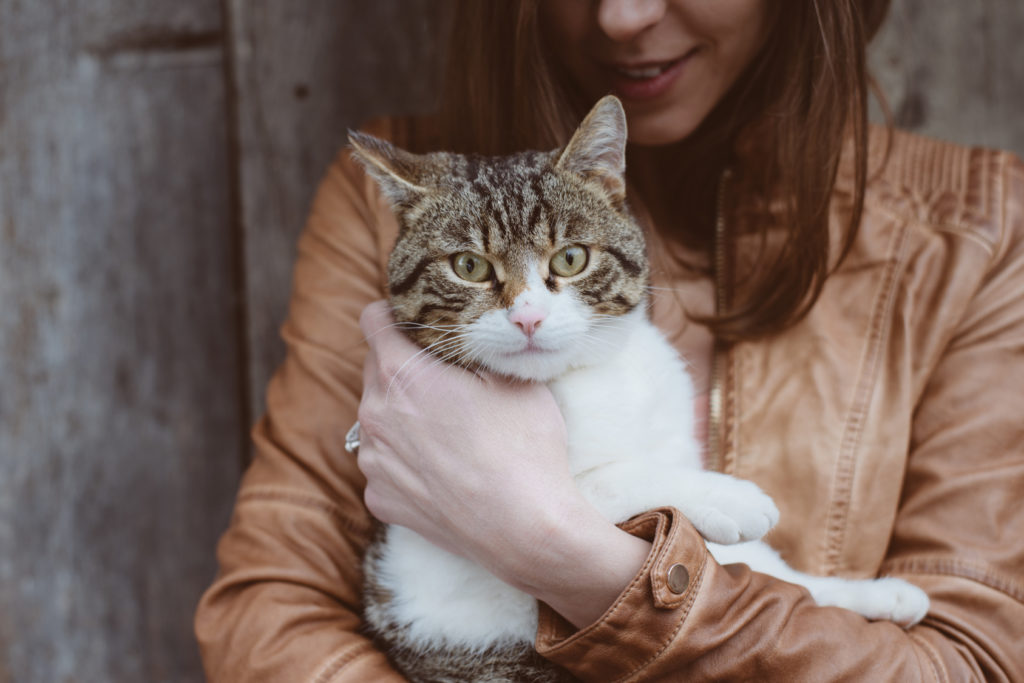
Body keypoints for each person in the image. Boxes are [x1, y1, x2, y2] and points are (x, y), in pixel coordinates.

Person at [195, 0, 1024, 679]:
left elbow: (972, 661)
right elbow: (267, 616)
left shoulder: (982, 235)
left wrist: (558, 549)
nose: (624, 16)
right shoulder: (388, 206)